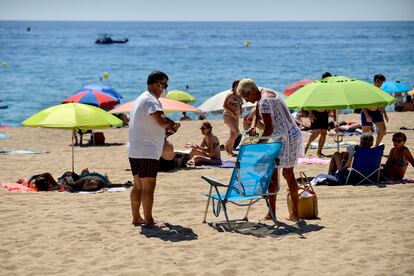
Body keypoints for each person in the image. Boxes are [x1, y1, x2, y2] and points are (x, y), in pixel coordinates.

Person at [237, 78, 303, 222]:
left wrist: (260, 146)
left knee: (288, 174)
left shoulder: (264, 102)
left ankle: (295, 214)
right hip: (282, 136)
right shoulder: (267, 93)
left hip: (289, 137)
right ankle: (271, 212)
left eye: (246, 97)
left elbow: (269, 128)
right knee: (273, 174)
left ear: (253, 91)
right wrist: (254, 125)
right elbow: (257, 114)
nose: (247, 101)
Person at [128, 70, 181, 228]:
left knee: (138, 185)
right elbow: (161, 119)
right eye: (163, 85)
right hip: (147, 151)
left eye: (166, 86)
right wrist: (172, 124)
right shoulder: (151, 100)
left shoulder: (140, 99)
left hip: (135, 149)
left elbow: (151, 124)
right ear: (155, 84)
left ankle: (137, 218)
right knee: (148, 186)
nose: (164, 89)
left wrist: (166, 129)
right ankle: (149, 220)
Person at [304, 72, 335, 157]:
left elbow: (330, 100)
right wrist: (310, 113)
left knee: (324, 133)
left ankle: (319, 152)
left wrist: (331, 110)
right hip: (315, 113)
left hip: (324, 113)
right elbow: (308, 100)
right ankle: (307, 145)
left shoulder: (329, 89)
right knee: (316, 132)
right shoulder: (317, 87)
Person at [361, 74, 389, 146]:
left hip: (376, 112)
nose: (381, 84)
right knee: (365, 134)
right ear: (376, 81)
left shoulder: (380, 90)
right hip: (366, 112)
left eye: (382, 83)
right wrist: (367, 116)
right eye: (380, 82)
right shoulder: (369, 90)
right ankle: (364, 148)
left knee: (383, 129)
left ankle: (376, 146)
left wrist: (385, 114)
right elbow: (362, 104)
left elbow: (381, 104)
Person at [223, 80, 243, 156]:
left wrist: (238, 114)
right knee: (237, 133)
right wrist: (233, 113)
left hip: (236, 116)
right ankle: (226, 145)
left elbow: (240, 105)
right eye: (237, 86)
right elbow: (224, 106)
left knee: (232, 135)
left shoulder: (239, 95)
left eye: (240, 86)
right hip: (228, 116)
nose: (238, 87)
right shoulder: (230, 95)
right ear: (234, 87)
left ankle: (230, 152)